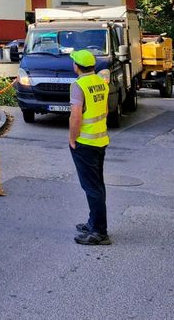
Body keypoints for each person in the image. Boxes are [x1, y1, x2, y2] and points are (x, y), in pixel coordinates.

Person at [68, 49, 111, 245]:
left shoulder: (78, 85)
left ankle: (99, 232)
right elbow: (105, 110)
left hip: (85, 143)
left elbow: (75, 117)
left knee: (92, 188)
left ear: (76, 66)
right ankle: (93, 222)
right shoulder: (101, 82)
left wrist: (72, 138)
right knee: (97, 185)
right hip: (100, 140)